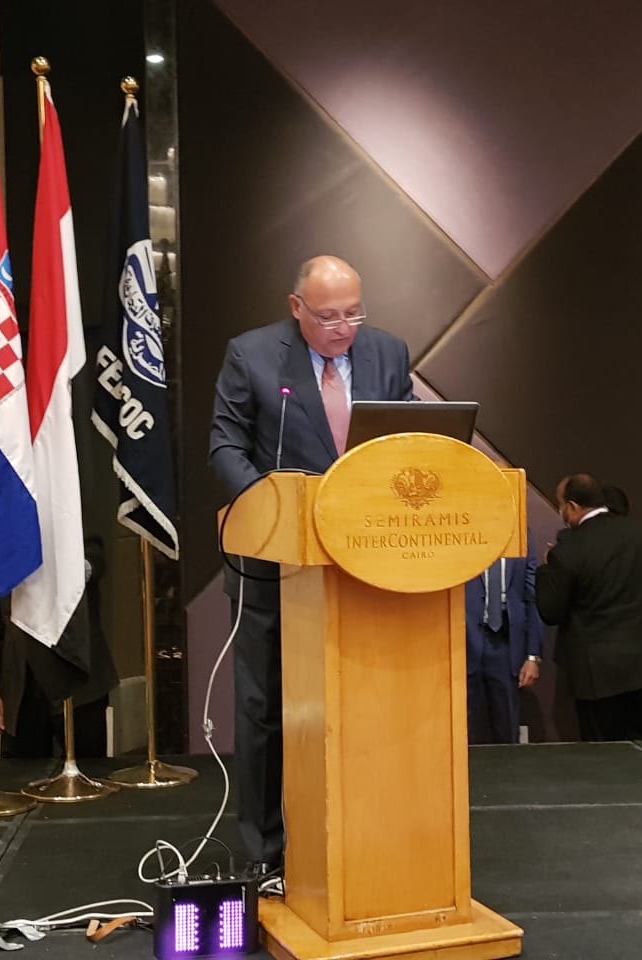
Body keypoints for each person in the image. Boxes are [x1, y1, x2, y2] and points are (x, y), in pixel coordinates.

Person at [208, 255, 414, 874]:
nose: (343, 328)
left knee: (370, 705)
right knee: (266, 707)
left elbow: (408, 440)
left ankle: (368, 843)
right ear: (296, 307)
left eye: (354, 314)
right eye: (328, 317)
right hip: (276, 563)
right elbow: (225, 445)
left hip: (368, 563)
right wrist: (275, 512)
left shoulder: (388, 353)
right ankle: (265, 853)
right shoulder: (251, 355)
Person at [536, 474, 642, 741]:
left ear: (572, 506)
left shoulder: (568, 549)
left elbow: (551, 611)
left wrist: (546, 570)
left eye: (561, 505)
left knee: (608, 758)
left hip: (598, 677)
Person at [0, 535, 117, 759]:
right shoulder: (2, 540)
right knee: (21, 774)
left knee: (88, 769)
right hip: (22, 685)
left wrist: (54, 568)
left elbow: (94, 561)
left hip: (77, 677)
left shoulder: (70, 525)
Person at [464, 538, 544, 744]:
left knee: (507, 727)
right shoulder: (461, 529)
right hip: (463, 644)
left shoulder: (521, 535)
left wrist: (532, 656)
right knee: (466, 732)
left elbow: (532, 597)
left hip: (506, 645)